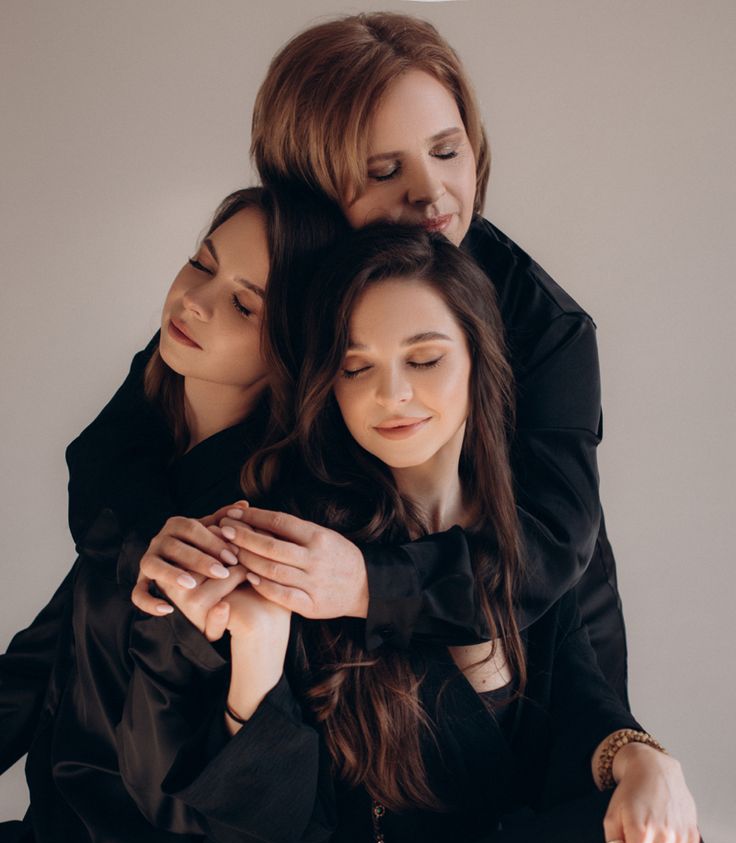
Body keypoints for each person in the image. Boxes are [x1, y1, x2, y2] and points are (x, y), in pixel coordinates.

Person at [125, 226, 729, 843]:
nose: (390, 394)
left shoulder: (529, 544)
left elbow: (581, 707)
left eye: (423, 358)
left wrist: (643, 759)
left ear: (479, 362)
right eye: (357, 366)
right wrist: (256, 655)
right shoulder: (298, 542)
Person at [130, 10, 627, 705]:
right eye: (386, 170)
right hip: (357, 696)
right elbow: (120, 443)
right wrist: (148, 552)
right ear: (313, 190)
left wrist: (366, 583)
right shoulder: (279, 279)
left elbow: (548, 555)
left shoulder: (549, 329)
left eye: (447, 151)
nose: (431, 193)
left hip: (541, 677)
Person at [0, 185, 346, 843]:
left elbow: (185, 805)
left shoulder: (250, 530)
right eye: (202, 262)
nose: (194, 301)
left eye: (244, 303)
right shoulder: (142, 468)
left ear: (293, 347)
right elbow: (40, 661)